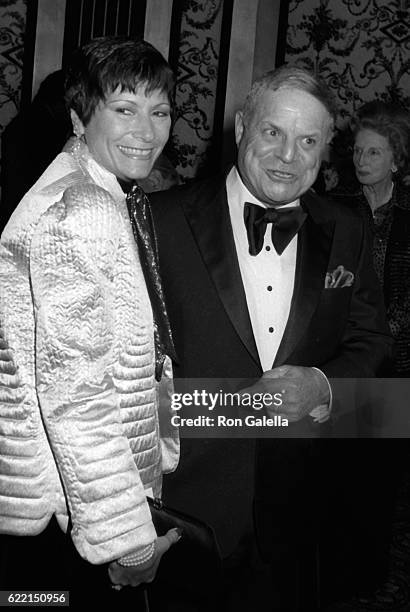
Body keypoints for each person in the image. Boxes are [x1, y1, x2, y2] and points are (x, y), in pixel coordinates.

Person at [150, 66, 393, 611]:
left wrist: (323, 385)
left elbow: (371, 339)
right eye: (273, 133)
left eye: (308, 140)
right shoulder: (158, 220)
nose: (288, 156)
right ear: (241, 128)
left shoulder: (347, 229)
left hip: (300, 510)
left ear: (326, 149)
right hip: (182, 511)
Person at [0, 36, 180, 609]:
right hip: (72, 510)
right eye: (124, 109)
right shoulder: (84, 209)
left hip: (56, 496)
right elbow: (76, 393)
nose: (147, 132)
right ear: (80, 118)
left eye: (160, 112)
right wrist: (126, 544)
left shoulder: (90, 189)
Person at [350, 101, 410, 376]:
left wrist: (383, 335)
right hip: (345, 355)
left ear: (396, 160)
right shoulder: (333, 209)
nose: (361, 161)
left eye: (373, 152)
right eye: (358, 151)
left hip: (402, 357)